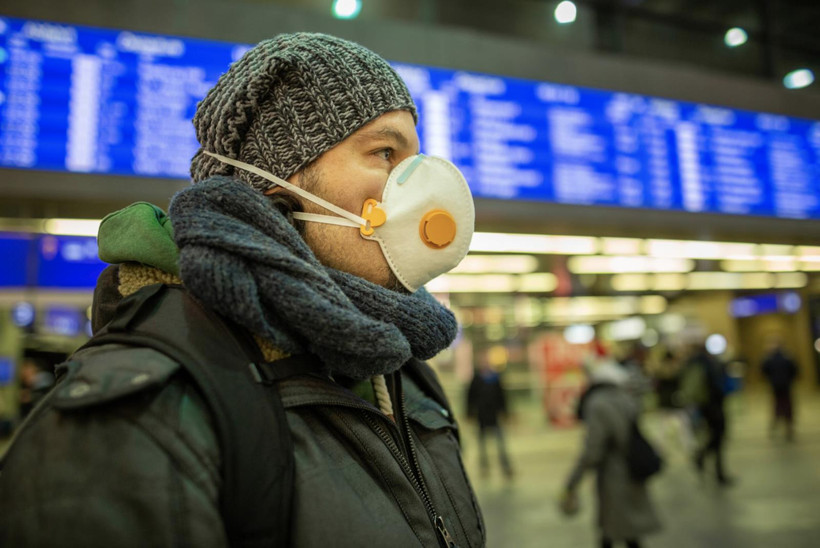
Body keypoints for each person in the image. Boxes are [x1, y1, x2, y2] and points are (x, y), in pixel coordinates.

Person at [0, 33, 485, 547]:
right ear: (278, 181)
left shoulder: (403, 370)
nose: (418, 184)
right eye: (385, 152)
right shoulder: (138, 419)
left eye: (414, 158)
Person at [561, 350, 661, 548]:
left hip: (613, 476)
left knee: (613, 530)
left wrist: (572, 483)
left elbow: (592, 450)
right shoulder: (625, 398)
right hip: (631, 469)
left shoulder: (597, 404)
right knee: (628, 531)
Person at [680, 343, 735, 486]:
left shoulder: (691, 363)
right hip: (713, 405)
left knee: (714, 435)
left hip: (703, 405)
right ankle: (717, 471)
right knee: (718, 436)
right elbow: (716, 384)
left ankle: (704, 458)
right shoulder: (708, 363)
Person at [466, 353, 513, 479]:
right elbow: (470, 397)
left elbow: (502, 396)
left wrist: (505, 412)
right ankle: (484, 467)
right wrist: (469, 413)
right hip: (481, 416)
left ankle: (506, 467)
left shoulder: (496, 378)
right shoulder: (476, 379)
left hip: (494, 415)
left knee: (500, 443)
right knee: (482, 444)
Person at [761, 341, 799, 441]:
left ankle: (777, 424)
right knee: (787, 404)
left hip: (775, 385)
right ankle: (788, 426)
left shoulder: (769, 359)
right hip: (786, 385)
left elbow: (764, 370)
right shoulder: (787, 357)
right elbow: (794, 370)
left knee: (778, 404)